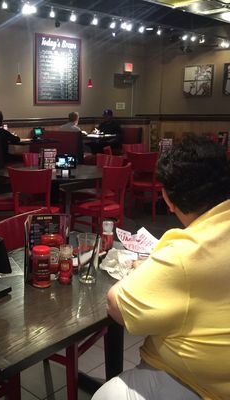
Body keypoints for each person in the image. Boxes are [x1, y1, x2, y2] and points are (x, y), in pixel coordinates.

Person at [93, 136, 230, 400]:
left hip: (200, 386)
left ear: (167, 198)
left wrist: (138, 271)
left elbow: (115, 304)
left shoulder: (187, 252)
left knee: (106, 395)